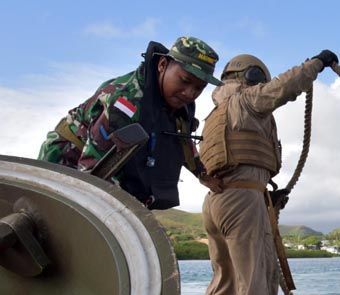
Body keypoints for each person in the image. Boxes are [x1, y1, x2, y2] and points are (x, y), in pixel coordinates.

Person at [193, 50, 339, 295]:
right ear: (252, 76)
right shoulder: (245, 100)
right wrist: (316, 64)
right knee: (256, 284)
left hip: (217, 202)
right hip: (242, 201)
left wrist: (266, 195)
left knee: (224, 282)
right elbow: (283, 88)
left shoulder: (216, 113)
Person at [39, 36, 224, 209]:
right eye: (184, 81)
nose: (190, 93)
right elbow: (94, 172)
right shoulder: (125, 103)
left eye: (199, 88)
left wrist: (203, 175)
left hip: (112, 164)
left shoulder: (179, 103)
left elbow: (182, 140)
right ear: (162, 65)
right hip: (66, 161)